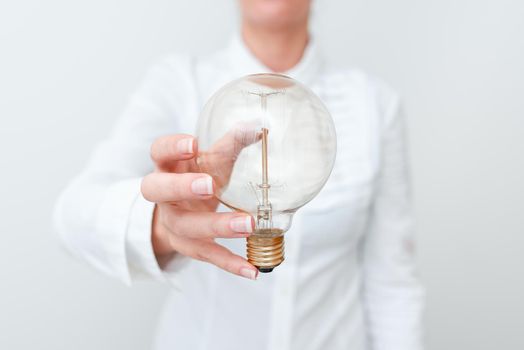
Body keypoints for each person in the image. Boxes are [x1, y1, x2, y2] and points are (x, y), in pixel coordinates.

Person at [54, 0, 424, 349]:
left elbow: (392, 284)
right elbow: (72, 216)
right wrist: (163, 227)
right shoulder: (180, 83)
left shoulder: (373, 104)